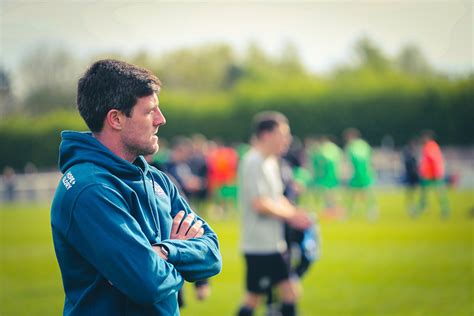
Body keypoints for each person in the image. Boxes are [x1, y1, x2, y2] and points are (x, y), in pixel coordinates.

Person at [50, 59, 222, 316]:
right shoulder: (89, 189)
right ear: (116, 119)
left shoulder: (158, 179)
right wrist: (181, 260)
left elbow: (212, 255)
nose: (161, 120)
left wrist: (164, 251)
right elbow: (147, 284)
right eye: (149, 111)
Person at [236, 111, 312, 316]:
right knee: (261, 297)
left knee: (286, 292)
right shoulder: (253, 161)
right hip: (260, 244)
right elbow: (260, 203)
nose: (287, 139)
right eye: (283, 134)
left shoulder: (271, 161)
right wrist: (291, 217)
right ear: (266, 135)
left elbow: (277, 198)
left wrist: (297, 214)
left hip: (274, 242)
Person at [343, 128, 378, 220]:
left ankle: (350, 212)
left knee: (354, 194)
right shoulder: (364, 145)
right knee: (367, 193)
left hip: (360, 173)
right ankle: (371, 211)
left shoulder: (353, 146)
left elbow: (358, 160)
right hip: (366, 172)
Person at [415, 130, 450, 218]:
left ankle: (444, 210)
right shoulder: (429, 146)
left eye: (423, 138)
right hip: (429, 174)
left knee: (437, 192)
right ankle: (423, 208)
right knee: (425, 193)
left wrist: (436, 172)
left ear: (427, 138)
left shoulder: (431, 146)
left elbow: (433, 160)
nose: (422, 139)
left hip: (432, 175)